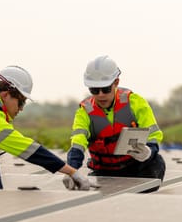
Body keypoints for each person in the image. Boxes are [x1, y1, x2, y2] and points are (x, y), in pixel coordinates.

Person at [62, 55, 166, 193]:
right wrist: (71, 171)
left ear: (116, 82)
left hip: (139, 168)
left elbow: (154, 134)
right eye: (94, 90)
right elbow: (78, 144)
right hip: (105, 171)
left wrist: (149, 151)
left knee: (155, 166)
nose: (100, 95)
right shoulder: (85, 111)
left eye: (105, 89)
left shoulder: (135, 102)